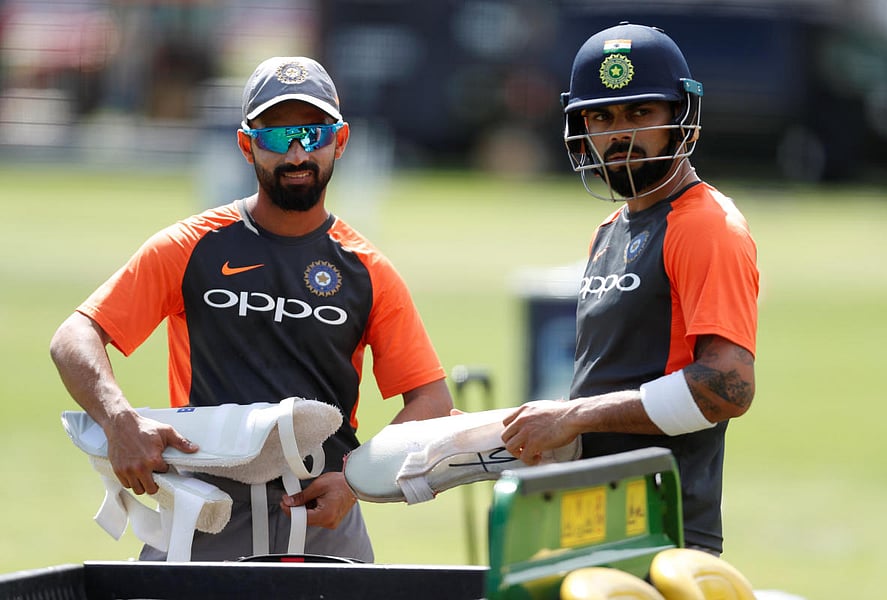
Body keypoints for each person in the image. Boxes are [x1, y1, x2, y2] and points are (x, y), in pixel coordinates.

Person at [49, 56, 454, 562]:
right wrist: (119, 421)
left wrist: (353, 480)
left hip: (321, 517)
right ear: (246, 145)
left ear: (341, 140)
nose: (297, 153)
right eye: (275, 137)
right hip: (203, 511)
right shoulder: (190, 246)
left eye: (313, 133)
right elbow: (75, 334)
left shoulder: (369, 270)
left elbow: (431, 401)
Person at [500, 23, 759, 556]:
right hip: (590, 520)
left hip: (664, 532)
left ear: (680, 118)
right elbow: (608, 385)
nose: (620, 135)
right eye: (602, 117)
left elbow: (728, 387)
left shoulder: (706, 224)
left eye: (641, 113)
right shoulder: (610, 231)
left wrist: (572, 417)